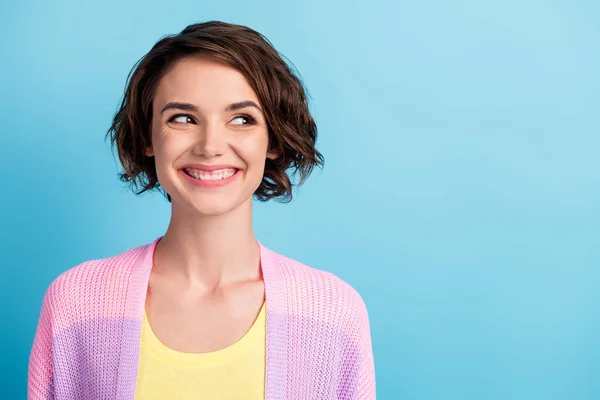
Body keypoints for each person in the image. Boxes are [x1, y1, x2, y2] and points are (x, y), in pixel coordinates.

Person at [28, 20, 375, 399]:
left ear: (272, 139)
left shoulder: (333, 314)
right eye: (183, 118)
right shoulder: (76, 304)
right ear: (148, 138)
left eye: (242, 119)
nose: (211, 145)